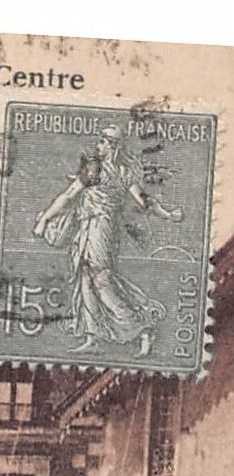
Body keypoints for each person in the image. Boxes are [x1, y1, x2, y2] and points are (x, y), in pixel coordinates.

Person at [33, 125, 185, 355]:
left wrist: (168, 214)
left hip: (102, 229)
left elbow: (144, 202)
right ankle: (93, 335)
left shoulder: (120, 174)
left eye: (103, 142)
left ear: (112, 146)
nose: (99, 146)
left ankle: (142, 328)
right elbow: (67, 196)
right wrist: (45, 218)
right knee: (86, 278)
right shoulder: (95, 170)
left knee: (102, 280)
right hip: (87, 228)